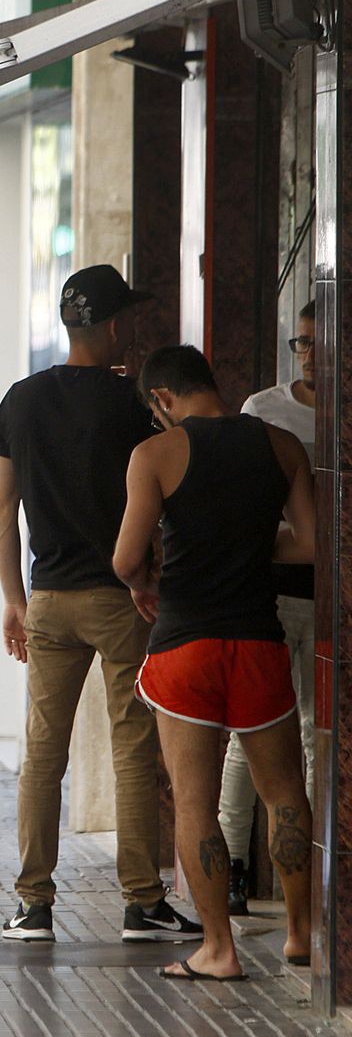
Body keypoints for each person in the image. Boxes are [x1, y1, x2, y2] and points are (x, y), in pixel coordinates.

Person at [0, 263, 200, 944]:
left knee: (43, 752)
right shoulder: (131, 404)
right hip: (120, 601)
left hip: (47, 598)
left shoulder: (19, 399)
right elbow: (165, 493)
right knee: (133, 748)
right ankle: (142, 902)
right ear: (112, 327)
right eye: (127, 322)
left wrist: (14, 601)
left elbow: (1, 507)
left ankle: (33, 904)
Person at [112, 344, 313, 981]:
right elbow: (308, 544)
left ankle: (218, 950)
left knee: (195, 802)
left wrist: (151, 573)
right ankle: (303, 935)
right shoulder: (282, 445)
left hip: (185, 647)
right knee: (284, 790)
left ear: (162, 399)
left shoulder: (154, 455)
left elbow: (123, 561)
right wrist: (250, 541)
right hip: (259, 640)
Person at [219, 301, 317, 915]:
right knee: (249, 735)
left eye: (316, 340)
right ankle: (231, 863)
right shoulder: (263, 411)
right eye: (299, 342)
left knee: (318, 735)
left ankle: (310, 871)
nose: (307, 352)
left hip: (334, 599)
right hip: (276, 593)